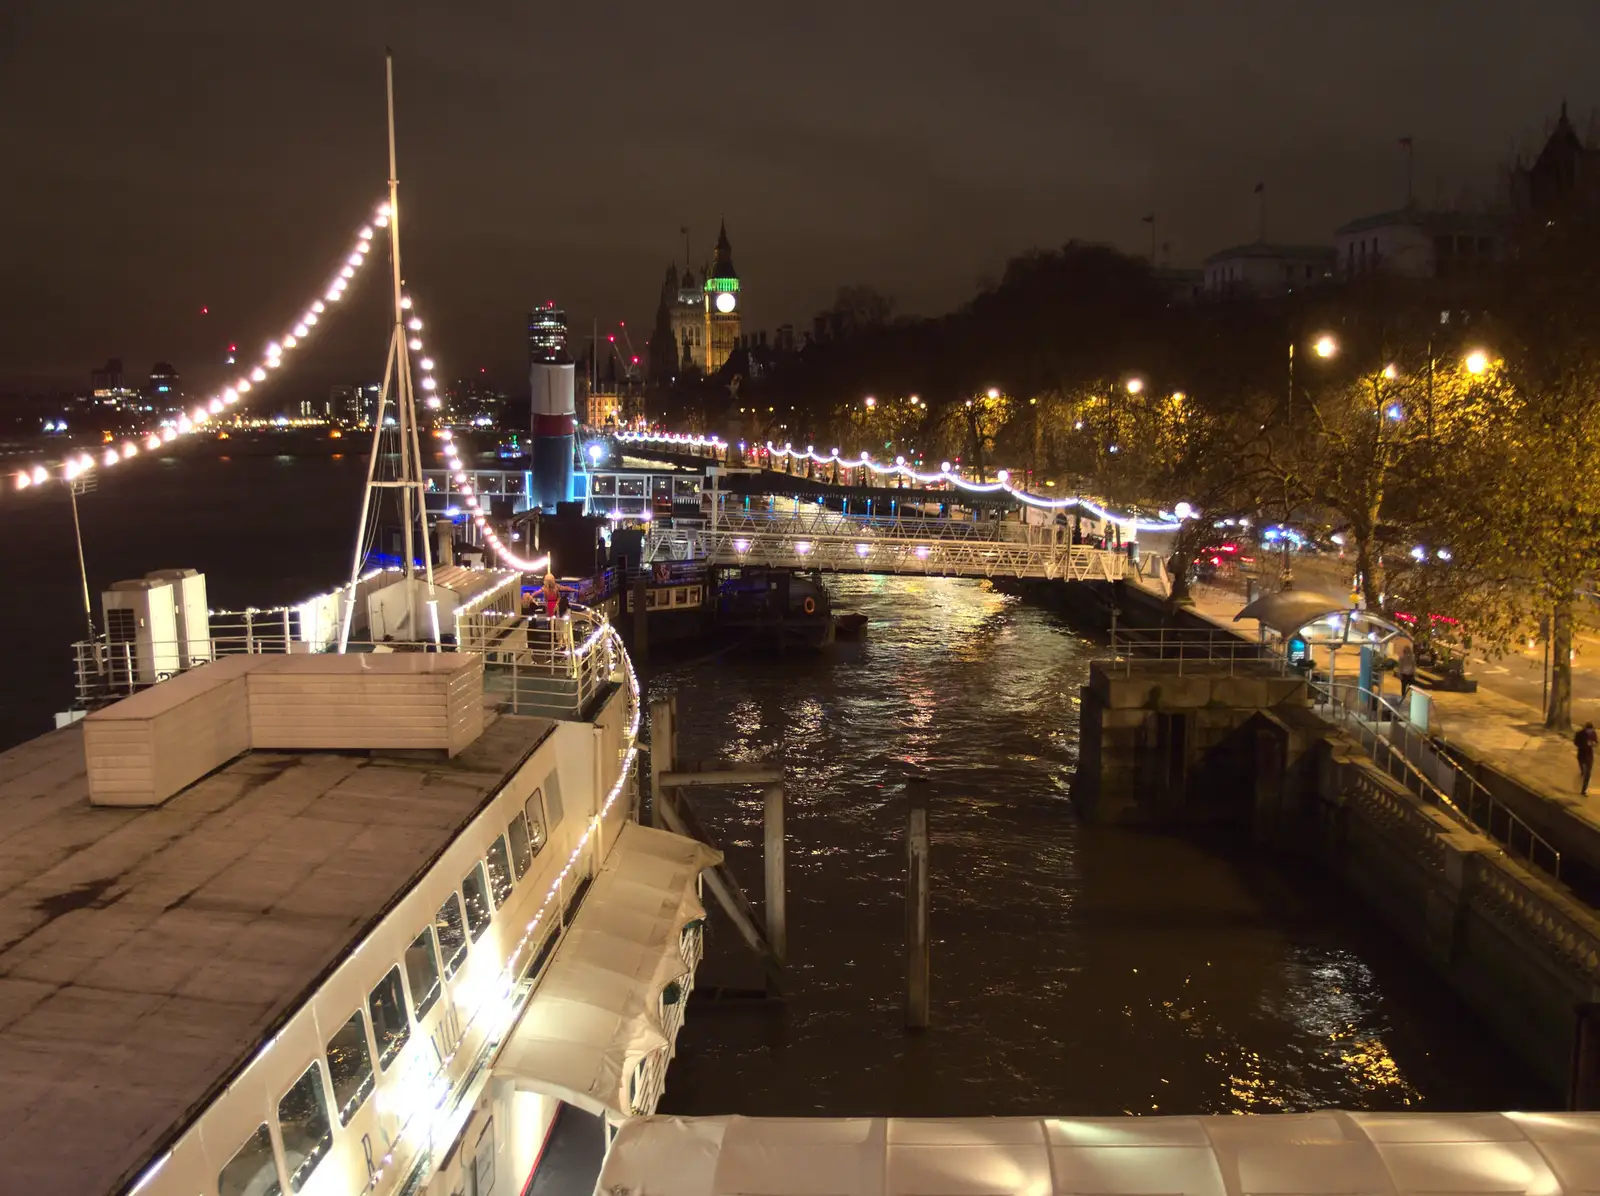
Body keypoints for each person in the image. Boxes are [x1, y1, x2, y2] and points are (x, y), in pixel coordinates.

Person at [1577, 722, 1598, 795]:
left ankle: (1584, 790)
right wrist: (1584, 744)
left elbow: (1596, 742)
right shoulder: (1580, 733)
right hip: (1582, 754)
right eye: (1588, 730)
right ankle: (1582, 770)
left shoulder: (1593, 733)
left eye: (1591, 730)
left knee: (1588, 773)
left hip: (1589, 755)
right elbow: (1576, 742)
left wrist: (1593, 744)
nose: (1589, 731)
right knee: (1582, 765)